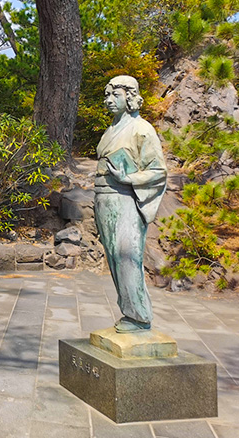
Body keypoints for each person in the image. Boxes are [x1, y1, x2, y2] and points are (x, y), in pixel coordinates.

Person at [95, 75, 167, 333]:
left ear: (130, 97)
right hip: (104, 200)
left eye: (115, 95)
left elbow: (158, 170)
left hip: (126, 199)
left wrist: (128, 178)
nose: (109, 100)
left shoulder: (142, 129)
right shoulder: (111, 130)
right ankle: (129, 312)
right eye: (107, 95)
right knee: (114, 258)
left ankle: (139, 316)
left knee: (127, 256)